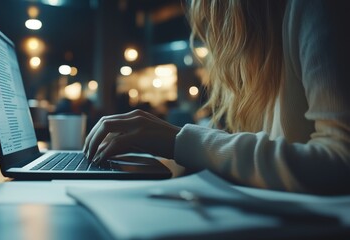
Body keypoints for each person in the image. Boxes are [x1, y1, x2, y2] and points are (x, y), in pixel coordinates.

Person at [83, 0, 350, 195]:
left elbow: (342, 162)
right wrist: (168, 151)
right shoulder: (265, 50)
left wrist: (180, 142)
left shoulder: (316, 7)